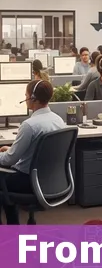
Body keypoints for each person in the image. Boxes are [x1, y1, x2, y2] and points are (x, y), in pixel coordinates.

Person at [0, 80, 65, 225]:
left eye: (26, 95)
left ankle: (11, 230)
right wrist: (12, 150)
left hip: (29, 181)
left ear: (33, 98)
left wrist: (8, 153)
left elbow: (9, 160)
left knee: (3, 181)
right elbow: (38, 151)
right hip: (52, 181)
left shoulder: (29, 125)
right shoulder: (58, 120)